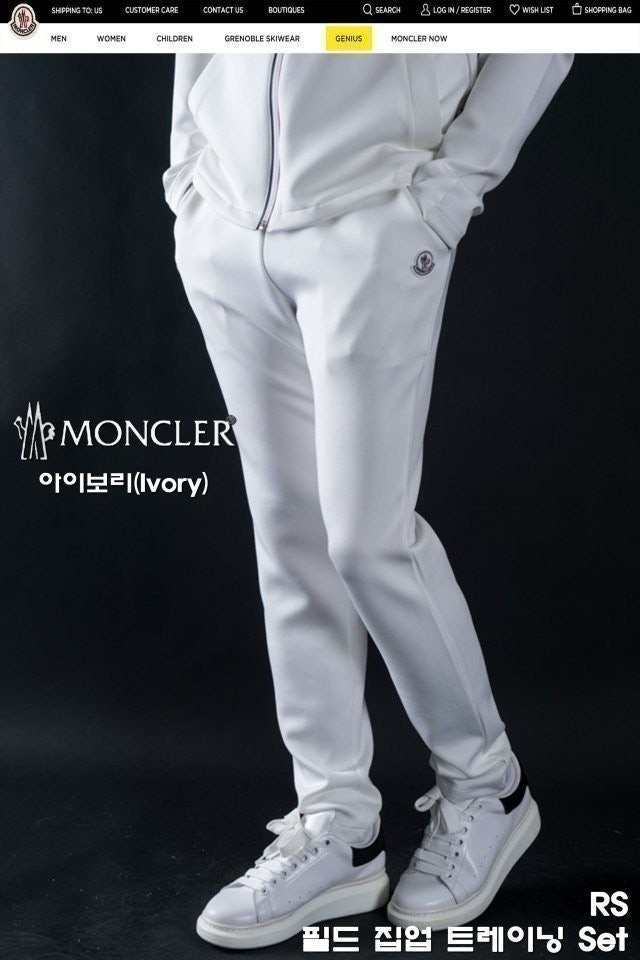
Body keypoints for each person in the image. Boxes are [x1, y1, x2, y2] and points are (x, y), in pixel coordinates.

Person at [164, 52, 574, 949]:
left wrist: (449, 192)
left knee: (366, 538)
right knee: (290, 534)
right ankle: (336, 825)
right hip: (228, 224)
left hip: (374, 215)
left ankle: (488, 786)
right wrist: (187, 165)